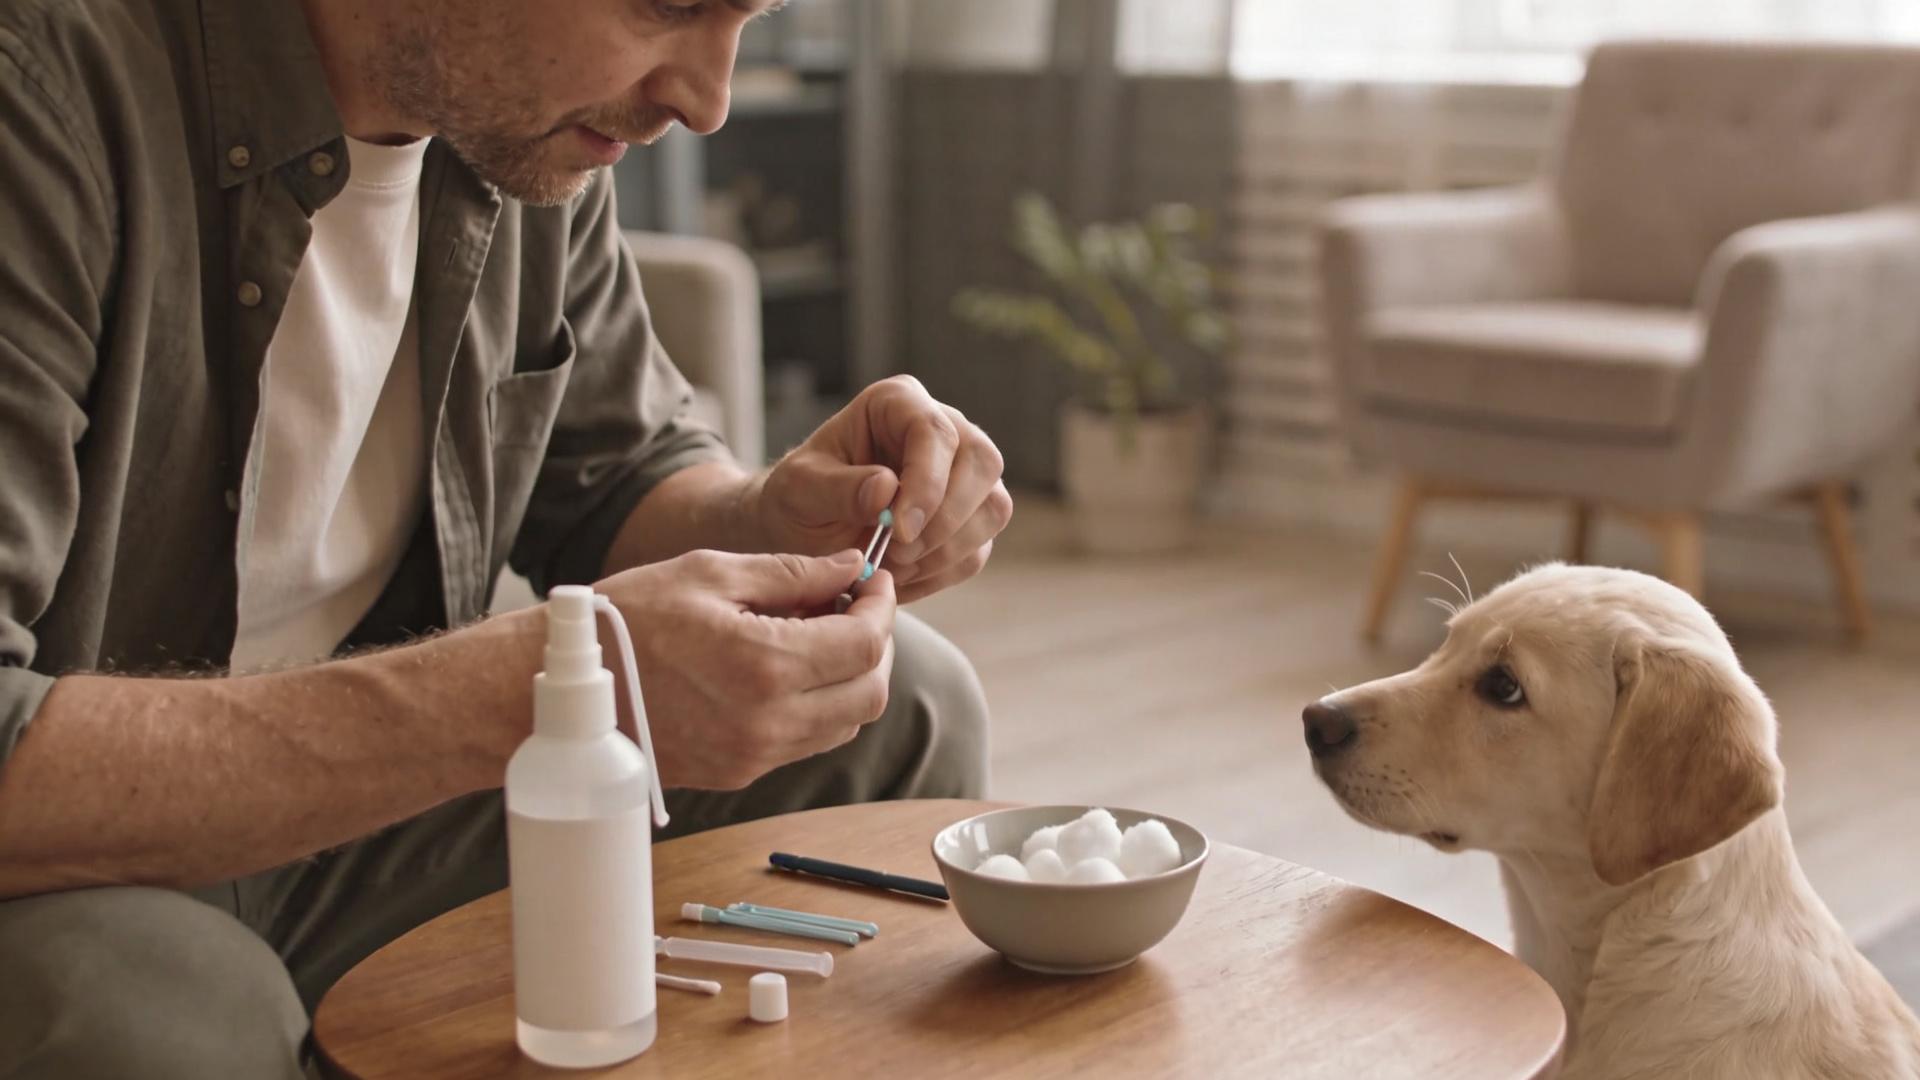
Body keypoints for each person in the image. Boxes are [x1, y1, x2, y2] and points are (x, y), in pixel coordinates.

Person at [0, 0, 1012, 1073]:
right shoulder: (44, 92)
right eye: (670, 7)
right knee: (164, 1017)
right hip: (67, 857)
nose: (707, 102)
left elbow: (616, 475)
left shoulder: (510, 125)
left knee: (902, 706)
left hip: (370, 825)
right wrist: (519, 691)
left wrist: (774, 525)